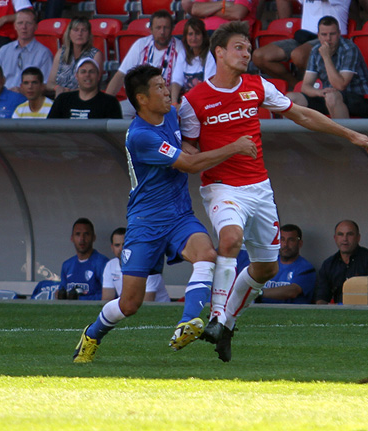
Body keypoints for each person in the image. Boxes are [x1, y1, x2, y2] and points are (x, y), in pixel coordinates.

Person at [179, 21, 368, 362]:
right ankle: (217, 317)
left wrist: (350, 134)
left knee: (266, 269)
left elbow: (302, 115)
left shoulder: (257, 86)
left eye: (248, 48)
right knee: (230, 239)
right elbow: (190, 154)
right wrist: (229, 150)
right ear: (219, 52)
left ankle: (226, 326)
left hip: (259, 189)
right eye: (239, 47)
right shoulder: (194, 100)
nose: (247, 53)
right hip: (221, 187)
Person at [72, 64, 258, 362]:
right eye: (159, 87)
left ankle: (188, 321)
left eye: (165, 84)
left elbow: (193, 138)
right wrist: (234, 147)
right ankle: (93, 334)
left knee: (206, 255)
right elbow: (189, 164)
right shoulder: (140, 135)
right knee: (130, 303)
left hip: (180, 216)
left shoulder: (171, 113)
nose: (167, 91)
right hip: (145, 224)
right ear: (142, 99)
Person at [253, 0, 351, 89]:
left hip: (329, 40)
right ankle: (296, 86)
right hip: (304, 37)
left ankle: (321, 86)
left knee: (298, 55)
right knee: (259, 56)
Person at [286, 15, 368, 118]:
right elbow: (305, 87)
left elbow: (340, 85)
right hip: (329, 96)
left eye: (332, 34)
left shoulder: (349, 49)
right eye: (324, 34)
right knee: (291, 99)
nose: (328, 39)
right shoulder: (315, 50)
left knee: (332, 97)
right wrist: (318, 92)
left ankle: (341, 129)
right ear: (318, 35)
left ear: (339, 34)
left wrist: (326, 57)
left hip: (361, 99)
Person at [106, 10, 184, 116]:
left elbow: (178, 84)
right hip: (139, 99)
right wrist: (106, 101)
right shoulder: (141, 44)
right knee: (118, 112)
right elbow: (121, 75)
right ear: (151, 29)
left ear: (172, 29)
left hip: (165, 99)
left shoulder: (180, 48)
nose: (162, 32)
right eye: (158, 28)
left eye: (166, 28)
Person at [316, 220, 368, 304]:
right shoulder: (328, 264)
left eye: (350, 234)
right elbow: (321, 296)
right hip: (337, 311)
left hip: (363, 310)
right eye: (340, 234)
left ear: (358, 238)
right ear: (335, 238)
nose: (345, 239)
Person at [101, 227, 170, 302]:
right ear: (112, 247)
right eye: (117, 245)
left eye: (125, 244)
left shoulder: (148, 266)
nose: (121, 248)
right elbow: (107, 299)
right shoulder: (110, 265)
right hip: (129, 306)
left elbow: (146, 304)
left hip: (158, 309)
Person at [0, 8, 53, 90]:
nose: (24, 27)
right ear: (14, 26)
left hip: (28, 96)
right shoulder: (4, 50)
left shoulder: (44, 53)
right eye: (20, 23)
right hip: (4, 95)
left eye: (28, 23)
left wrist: (22, 91)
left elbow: (45, 85)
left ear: (36, 27)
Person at [259, 224, 317, 305]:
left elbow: (292, 292)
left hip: (292, 312)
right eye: (282, 239)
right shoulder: (267, 263)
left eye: (291, 240)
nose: (285, 244)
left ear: (300, 243)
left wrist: (259, 293)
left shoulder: (306, 268)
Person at [47, 57, 122, 119]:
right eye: (83, 71)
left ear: (99, 76)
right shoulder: (63, 100)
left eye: (91, 71)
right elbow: (50, 127)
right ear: (76, 76)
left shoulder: (110, 102)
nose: (87, 75)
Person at [46, 16, 103, 95]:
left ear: (89, 34)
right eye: (76, 30)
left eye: (83, 30)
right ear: (69, 33)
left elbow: (93, 85)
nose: (79, 34)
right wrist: (57, 88)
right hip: (59, 96)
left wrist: (69, 93)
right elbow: (49, 83)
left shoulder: (95, 54)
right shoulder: (61, 52)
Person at [58, 217, 109, 300]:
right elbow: (63, 291)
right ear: (72, 238)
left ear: (93, 237)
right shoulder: (67, 265)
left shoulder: (103, 263)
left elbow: (109, 295)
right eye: (78, 234)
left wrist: (80, 299)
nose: (82, 239)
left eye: (86, 234)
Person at [170, 17, 216, 106]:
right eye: (190, 34)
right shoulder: (183, 53)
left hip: (203, 101)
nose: (194, 38)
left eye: (197, 33)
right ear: (186, 37)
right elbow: (176, 81)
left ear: (203, 36)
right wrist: (174, 103)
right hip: (185, 101)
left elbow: (208, 85)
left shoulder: (210, 54)